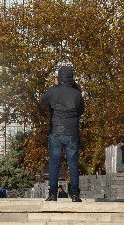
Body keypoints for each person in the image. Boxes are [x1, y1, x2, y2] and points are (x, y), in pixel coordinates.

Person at [40, 65, 84, 202]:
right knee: (73, 165)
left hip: (56, 131)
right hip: (72, 132)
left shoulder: (53, 91)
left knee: (54, 164)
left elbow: (42, 101)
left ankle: (53, 194)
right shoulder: (77, 93)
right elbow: (81, 110)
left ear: (58, 77)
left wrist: (55, 87)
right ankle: (75, 195)